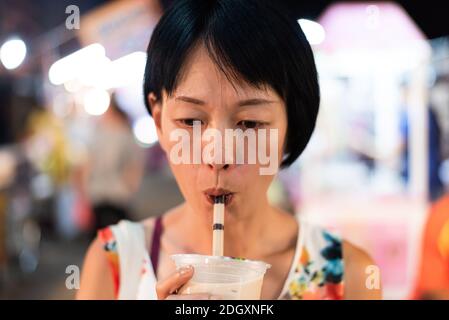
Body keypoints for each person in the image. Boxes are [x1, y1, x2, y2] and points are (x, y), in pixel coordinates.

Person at [77, 0, 381, 300]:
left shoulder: (347, 275)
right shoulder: (114, 263)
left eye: (249, 123)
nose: (218, 156)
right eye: (190, 121)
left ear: (291, 123)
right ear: (159, 121)